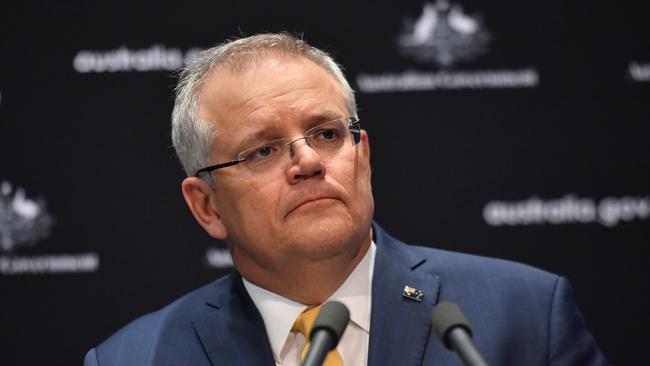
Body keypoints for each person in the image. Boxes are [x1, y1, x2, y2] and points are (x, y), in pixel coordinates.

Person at [84, 33, 607, 366]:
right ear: (207, 206)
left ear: (364, 155)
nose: (309, 161)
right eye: (263, 150)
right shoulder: (134, 359)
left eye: (328, 134)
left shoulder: (525, 316)